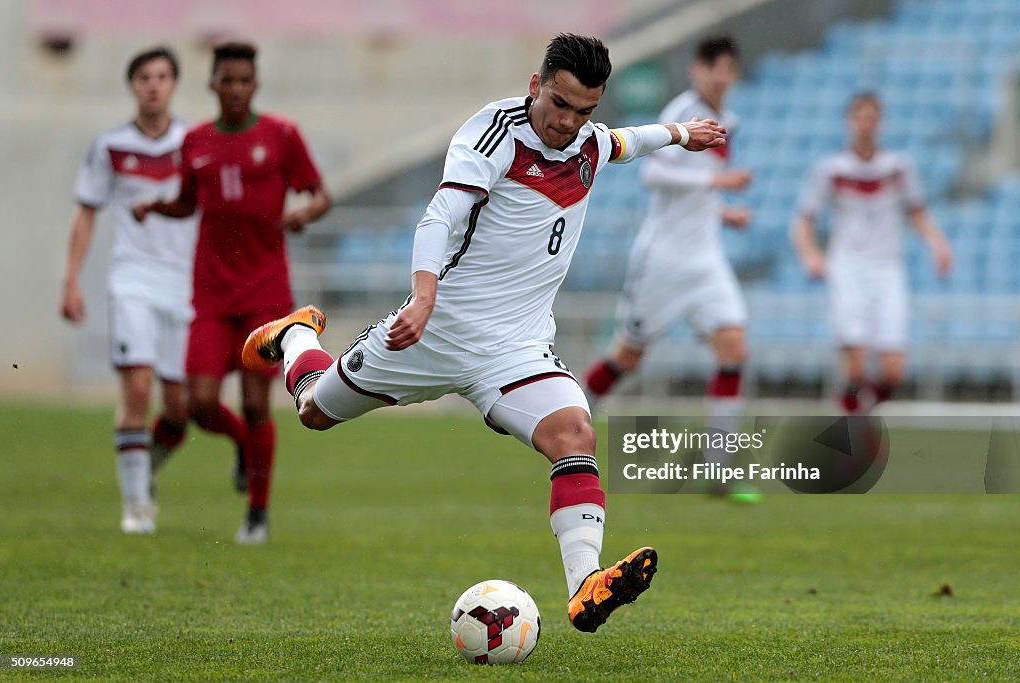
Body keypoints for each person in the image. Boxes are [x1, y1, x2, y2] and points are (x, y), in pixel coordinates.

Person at [241, 34, 726, 631]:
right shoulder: (493, 133)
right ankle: (295, 337)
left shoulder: (587, 142)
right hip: (434, 331)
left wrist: (682, 134)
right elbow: (441, 215)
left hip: (516, 347)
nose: (568, 122)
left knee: (574, 433)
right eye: (559, 103)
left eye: (584, 111)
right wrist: (422, 298)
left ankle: (585, 587)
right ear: (535, 85)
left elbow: (626, 142)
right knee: (314, 411)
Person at [133, 41, 331, 544]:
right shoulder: (196, 141)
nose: (237, 89)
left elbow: (320, 194)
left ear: (255, 84)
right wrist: (156, 205)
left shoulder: (282, 135)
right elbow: (186, 202)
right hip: (211, 294)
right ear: (214, 84)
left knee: (255, 401)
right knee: (197, 404)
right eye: (228, 80)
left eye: (245, 80)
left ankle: (257, 515)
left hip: (266, 295)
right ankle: (245, 445)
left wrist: (303, 213)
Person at [580, 35, 757, 500]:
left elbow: (695, 191)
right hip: (662, 260)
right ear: (697, 71)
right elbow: (653, 174)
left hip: (706, 259)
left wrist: (723, 210)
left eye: (728, 68)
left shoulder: (730, 121)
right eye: (713, 67)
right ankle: (571, 422)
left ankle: (719, 470)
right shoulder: (681, 112)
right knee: (627, 357)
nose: (721, 77)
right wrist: (716, 180)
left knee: (734, 349)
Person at [61, 46, 196, 535]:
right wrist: (71, 279)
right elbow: (86, 212)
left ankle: (146, 471)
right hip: (132, 279)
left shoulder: (193, 142)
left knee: (180, 408)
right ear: (133, 85)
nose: (153, 85)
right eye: (144, 77)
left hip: (185, 285)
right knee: (138, 387)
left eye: (162, 76)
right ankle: (137, 506)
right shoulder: (110, 147)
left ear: (175, 83)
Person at [790, 91, 953, 413]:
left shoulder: (898, 167)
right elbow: (804, 220)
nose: (866, 125)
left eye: (872, 118)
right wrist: (811, 255)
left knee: (893, 370)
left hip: (887, 268)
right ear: (848, 122)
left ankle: (860, 414)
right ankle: (851, 435)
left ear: (880, 123)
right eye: (860, 118)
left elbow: (917, 212)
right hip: (847, 268)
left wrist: (938, 243)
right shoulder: (831, 169)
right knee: (855, 362)